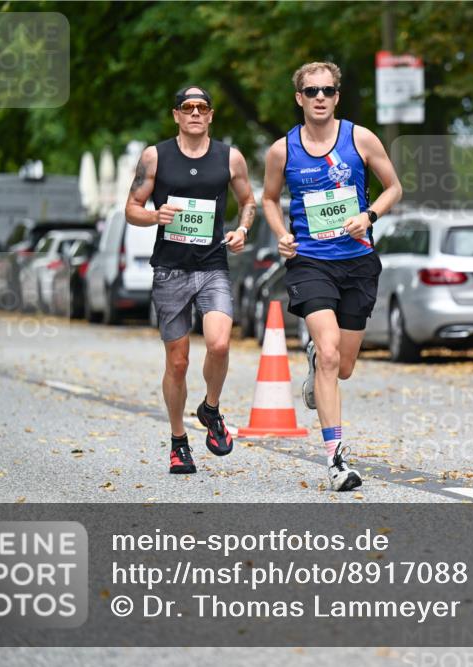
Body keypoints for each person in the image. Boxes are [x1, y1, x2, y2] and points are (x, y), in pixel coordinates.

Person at [261, 62, 402, 491]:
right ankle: (336, 460)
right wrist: (282, 234)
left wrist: (369, 215)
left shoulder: (360, 139)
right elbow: (269, 198)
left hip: (357, 262)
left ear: (337, 96)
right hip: (310, 262)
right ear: (299, 98)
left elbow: (394, 187)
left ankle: (317, 361)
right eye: (311, 91)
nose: (319, 97)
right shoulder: (282, 150)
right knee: (328, 353)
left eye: (327, 90)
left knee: (343, 366)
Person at [125, 85, 256, 475]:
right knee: (178, 362)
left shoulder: (230, 157)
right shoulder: (155, 156)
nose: (195, 113)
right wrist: (155, 216)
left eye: (202, 107)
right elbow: (132, 208)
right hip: (170, 269)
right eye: (188, 107)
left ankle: (210, 408)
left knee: (219, 343)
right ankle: (178, 441)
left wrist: (242, 230)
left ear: (211, 115)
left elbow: (248, 201)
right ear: (177, 115)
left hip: (212, 264)